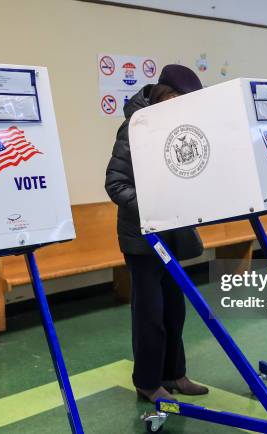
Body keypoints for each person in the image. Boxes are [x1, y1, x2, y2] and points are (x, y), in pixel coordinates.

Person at [105, 64, 210, 403]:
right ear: (167, 96)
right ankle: (148, 382)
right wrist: (153, 205)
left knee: (174, 310)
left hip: (173, 234)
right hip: (142, 238)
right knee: (150, 314)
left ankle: (175, 374)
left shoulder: (176, 126)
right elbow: (115, 184)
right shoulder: (134, 128)